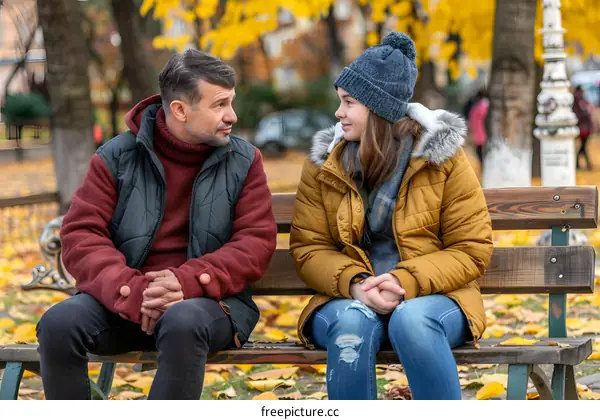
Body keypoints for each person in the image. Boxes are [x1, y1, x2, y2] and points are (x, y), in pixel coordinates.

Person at [35, 49, 277, 399]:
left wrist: (185, 282)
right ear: (179, 110)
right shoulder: (116, 157)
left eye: (231, 102)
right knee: (58, 325)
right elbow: (81, 235)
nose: (232, 116)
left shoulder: (244, 162)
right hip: (124, 302)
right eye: (219, 105)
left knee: (182, 322)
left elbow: (254, 244)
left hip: (210, 306)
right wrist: (131, 292)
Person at [289, 32, 493, 400]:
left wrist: (404, 281)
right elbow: (309, 248)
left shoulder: (440, 160)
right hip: (348, 298)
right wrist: (356, 285)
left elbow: (471, 248)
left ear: (377, 108)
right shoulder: (325, 166)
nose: (339, 113)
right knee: (353, 321)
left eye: (349, 102)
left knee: (411, 320)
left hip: (433, 297)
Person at [573, 85, 595, 171]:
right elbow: (580, 114)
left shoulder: (581, 100)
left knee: (583, 146)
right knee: (583, 146)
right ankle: (584, 164)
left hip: (585, 127)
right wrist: (588, 111)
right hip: (583, 128)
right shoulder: (578, 101)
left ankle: (579, 164)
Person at [467, 88, 489, 167]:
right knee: (483, 154)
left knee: (479, 153)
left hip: (477, 133)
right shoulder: (485, 106)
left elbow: (471, 118)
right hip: (483, 133)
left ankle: (483, 167)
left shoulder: (476, 106)